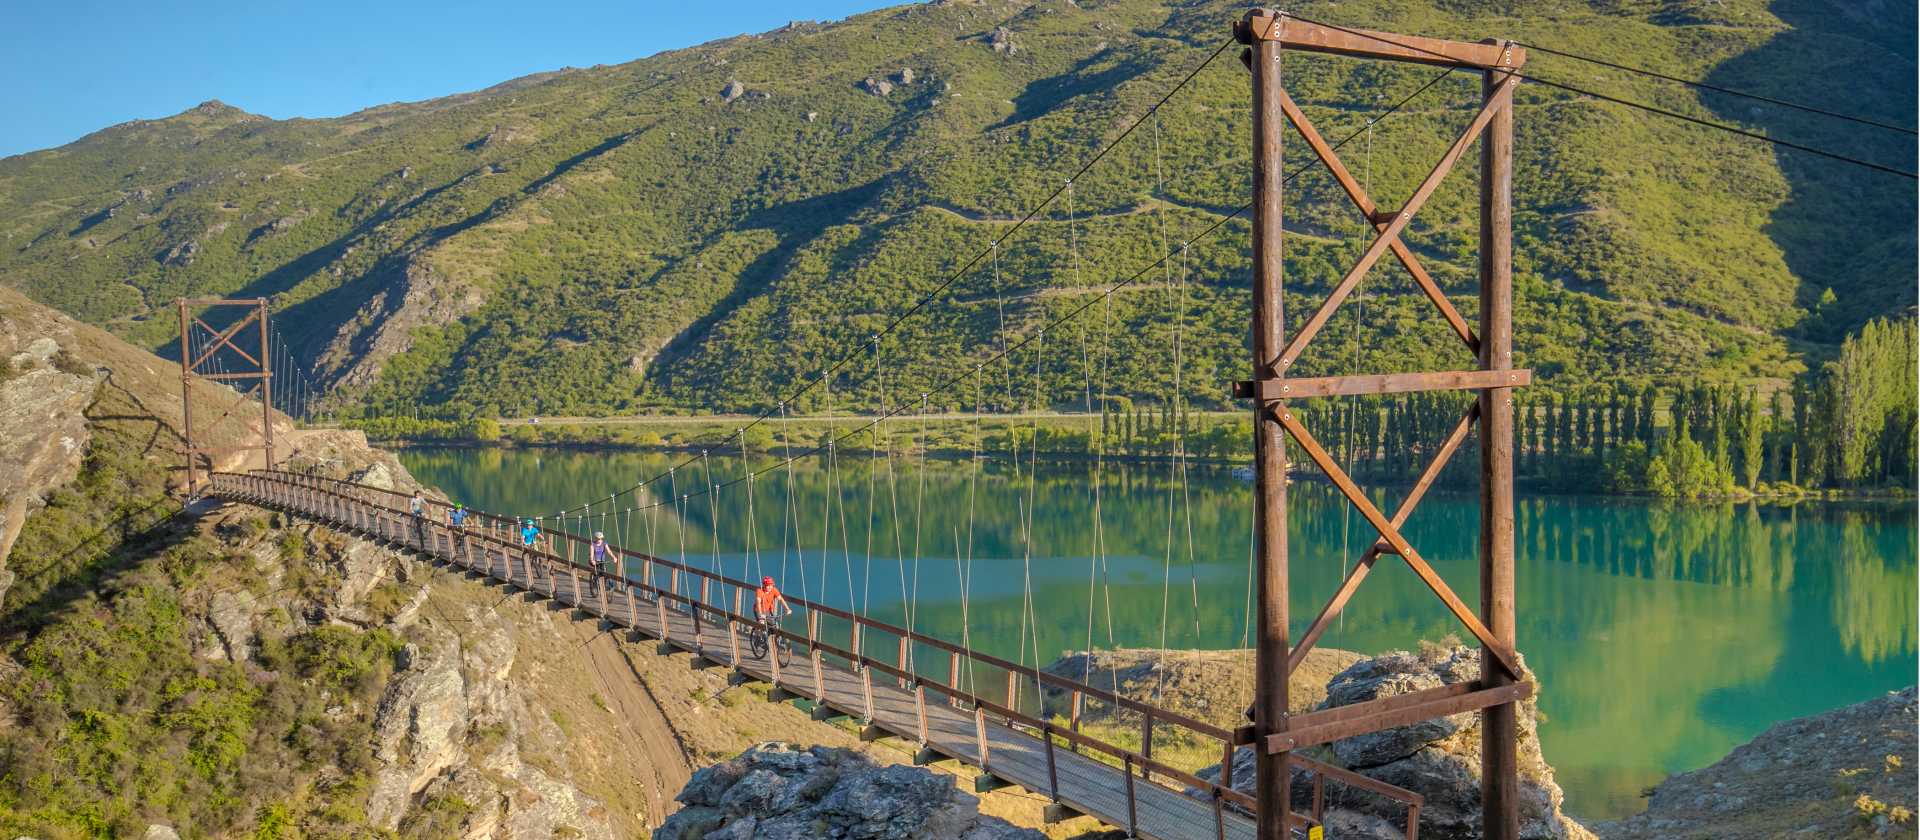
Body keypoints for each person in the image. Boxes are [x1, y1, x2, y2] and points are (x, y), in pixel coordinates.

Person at [588, 531, 619, 597]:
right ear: (595, 538)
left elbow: (609, 551)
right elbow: (591, 554)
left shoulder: (604, 543)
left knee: (605, 573)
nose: (600, 540)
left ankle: (608, 586)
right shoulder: (592, 545)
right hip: (595, 561)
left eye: (601, 538)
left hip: (602, 561)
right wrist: (592, 560)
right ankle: (594, 584)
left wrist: (614, 557)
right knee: (597, 573)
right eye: (598, 539)